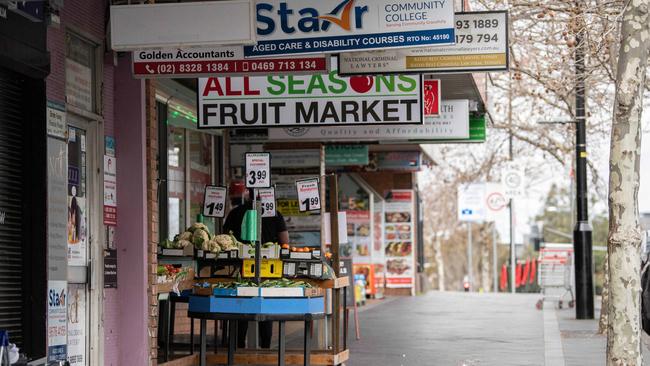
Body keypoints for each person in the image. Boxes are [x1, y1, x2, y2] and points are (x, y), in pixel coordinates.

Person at [223, 184, 289, 349]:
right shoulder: (275, 214)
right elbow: (285, 242)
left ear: (248, 194)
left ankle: (238, 348)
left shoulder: (235, 213)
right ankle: (265, 348)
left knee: (241, 306)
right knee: (265, 306)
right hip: (269, 271)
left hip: (239, 269)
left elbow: (224, 239)